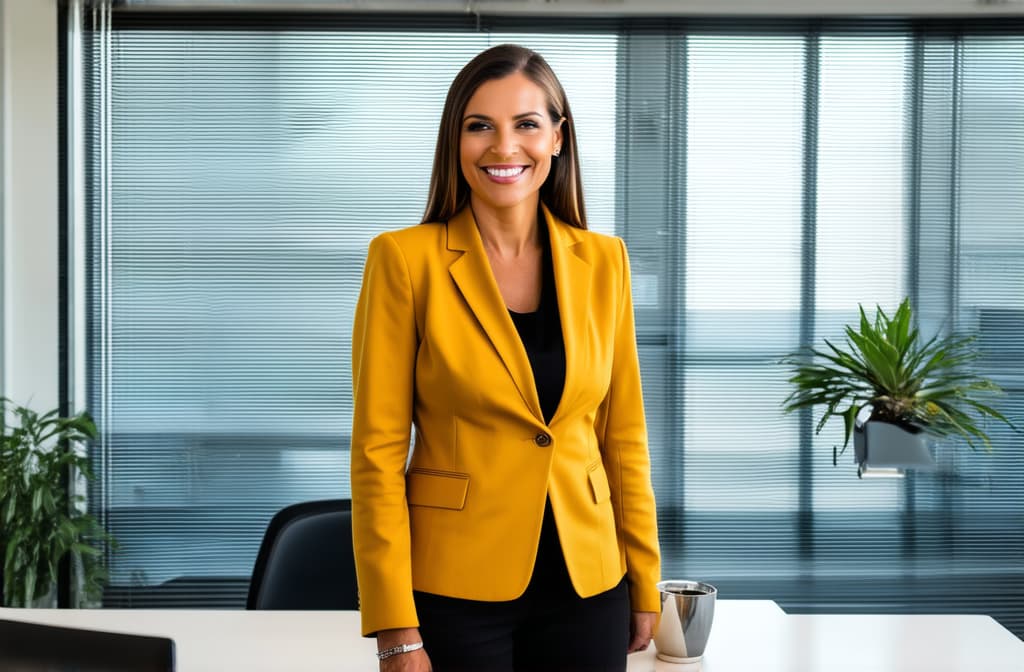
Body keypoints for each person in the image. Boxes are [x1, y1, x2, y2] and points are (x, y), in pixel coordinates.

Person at [350, 44, 661, 672]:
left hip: (589, 581)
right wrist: (394, 626)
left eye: (526, 124)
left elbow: (622, 437)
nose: (503, 147)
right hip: (454, 589)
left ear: (557, 138)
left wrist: (644, 574)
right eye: (479, 126)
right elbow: (377, 453)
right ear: (455, 140)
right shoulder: (405, 261)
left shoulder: (604, 262)